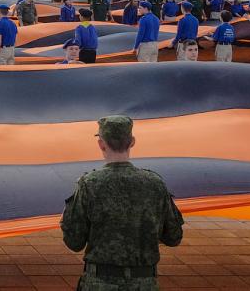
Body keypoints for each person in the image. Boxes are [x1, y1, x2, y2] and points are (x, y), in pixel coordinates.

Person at [61, 115, 183, 290]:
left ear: (101, 143)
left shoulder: (89, 184)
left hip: (99, 284)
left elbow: (74, 242)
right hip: (144, 284)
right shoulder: (155, 183)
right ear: (132, 142)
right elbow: (174, 237)